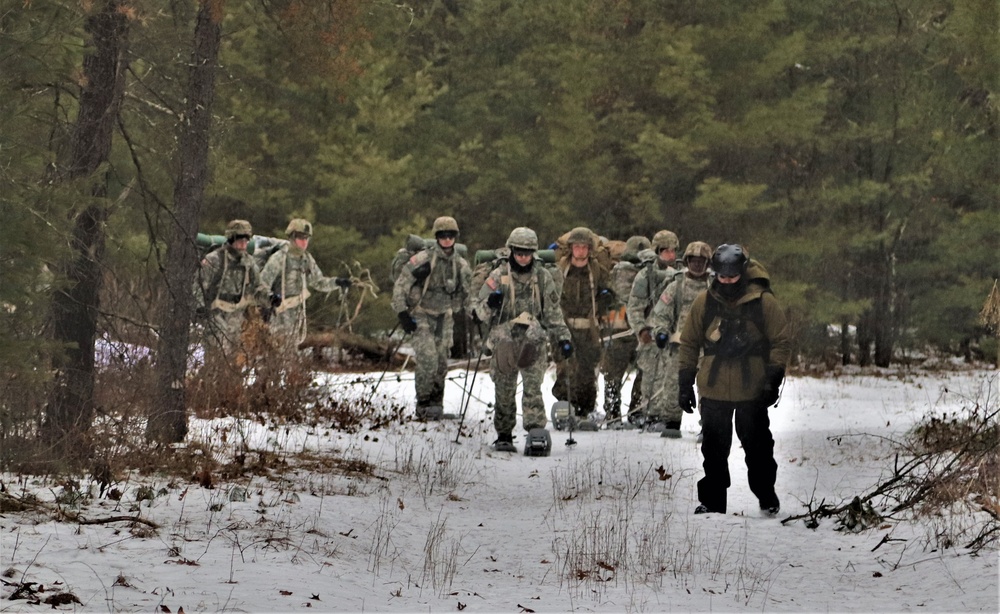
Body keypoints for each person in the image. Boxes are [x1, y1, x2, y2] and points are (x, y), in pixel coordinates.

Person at [677, 244, 791, 516]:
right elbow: (689, 342)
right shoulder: (705, 302)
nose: (727, 282)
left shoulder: (763, 302)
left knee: (758, 449)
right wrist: (684, 382)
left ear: (742, 273)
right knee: (713, 450)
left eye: (732, 277)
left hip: (752, 388)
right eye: (722, 277)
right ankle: (713, 503)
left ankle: (766, 495)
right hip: (713, 387)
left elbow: (780, 342)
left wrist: (772, 379)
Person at [475, 227, 572, 452]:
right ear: (511, 251)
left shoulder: (542, 277)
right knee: (504, 388)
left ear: (533, 253)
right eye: (518, 252)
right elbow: (478, 313)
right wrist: (491, 303)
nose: (522, 257)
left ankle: (536, 429)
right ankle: (504, 433)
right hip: (504, 338)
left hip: (533, 339)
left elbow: (552, 312)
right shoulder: (498, 276)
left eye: (527, 252)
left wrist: (563, 338)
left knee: (533, 387)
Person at [391, 216, 472, 420]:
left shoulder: (460, 265)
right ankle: (423, 403)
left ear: (455, 237)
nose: (446, 239)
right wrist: (402, 313)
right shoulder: (422, 259)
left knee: (442, 363)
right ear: (436, 237)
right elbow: (400, 285)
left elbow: (469, 293)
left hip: (445, 316)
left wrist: (477, 313)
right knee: (427, 359)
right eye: (442, 235)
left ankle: (436, 404)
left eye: (450, 235)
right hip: (421, 314)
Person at [647, 241, 713, 438]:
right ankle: (671, 421)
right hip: (680, 345)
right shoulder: (676, 286)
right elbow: (661, 314)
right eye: (693, 261)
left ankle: (708, 423)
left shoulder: (715, 288)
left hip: (708, 346)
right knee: (673, 383)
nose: (697, 265)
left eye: (702, 261)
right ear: (687, 261)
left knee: (708, 385)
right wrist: (660, 331)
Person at [552, 226, 614, 428]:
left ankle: (585, 411)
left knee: (587, 371)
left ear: (589, 249)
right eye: (576, 247)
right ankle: (564, 409)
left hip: (589, 329)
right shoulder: (560, 270)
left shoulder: (596, 271)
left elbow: (608, 291)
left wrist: (606, 297)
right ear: (570, 249)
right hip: (565, 326)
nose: (580, 251)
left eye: (584, 247)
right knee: (565, 370)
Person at [259, 219, 353, 351]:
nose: (304, 242)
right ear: (292, 237)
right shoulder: (279, 259)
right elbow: (262, 284)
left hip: (297, 313)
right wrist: (270, 300)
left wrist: (337, 282)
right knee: (280, 350)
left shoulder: (306, 259)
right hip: (278, 313)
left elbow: (318, 282)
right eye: (300, 238)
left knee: (290, 349)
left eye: (306, 238)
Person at [625, 229, 680, 430]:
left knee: (669, 377)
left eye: (673, 251)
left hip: (671, 333)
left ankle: (666, 415)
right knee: (649, 377)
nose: (671, 255)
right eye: (666, 251)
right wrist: (640, 330)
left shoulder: (679, 276)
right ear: (657, 251)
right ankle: (649, 414)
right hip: (650, 334)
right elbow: (634, 307)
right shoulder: (645, 276)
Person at [193, 219, 269, 354]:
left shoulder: (248, 262)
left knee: (235, 360)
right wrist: (201, 309)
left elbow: (258, 286)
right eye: (239, 239)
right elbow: (198, 286)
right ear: (231, 239)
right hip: (215, 315)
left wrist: (271, 298)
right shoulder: (214, 259)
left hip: (237, 318)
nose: (243, 244)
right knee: (218, 356)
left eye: (246, 240)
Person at [600, 235, 650, 425]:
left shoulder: (615, 272)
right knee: (637, 373)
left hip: (623, 330)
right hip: (627, 330)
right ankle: (634, 411)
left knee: (615, 374)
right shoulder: (643, 273)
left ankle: (615, 413)